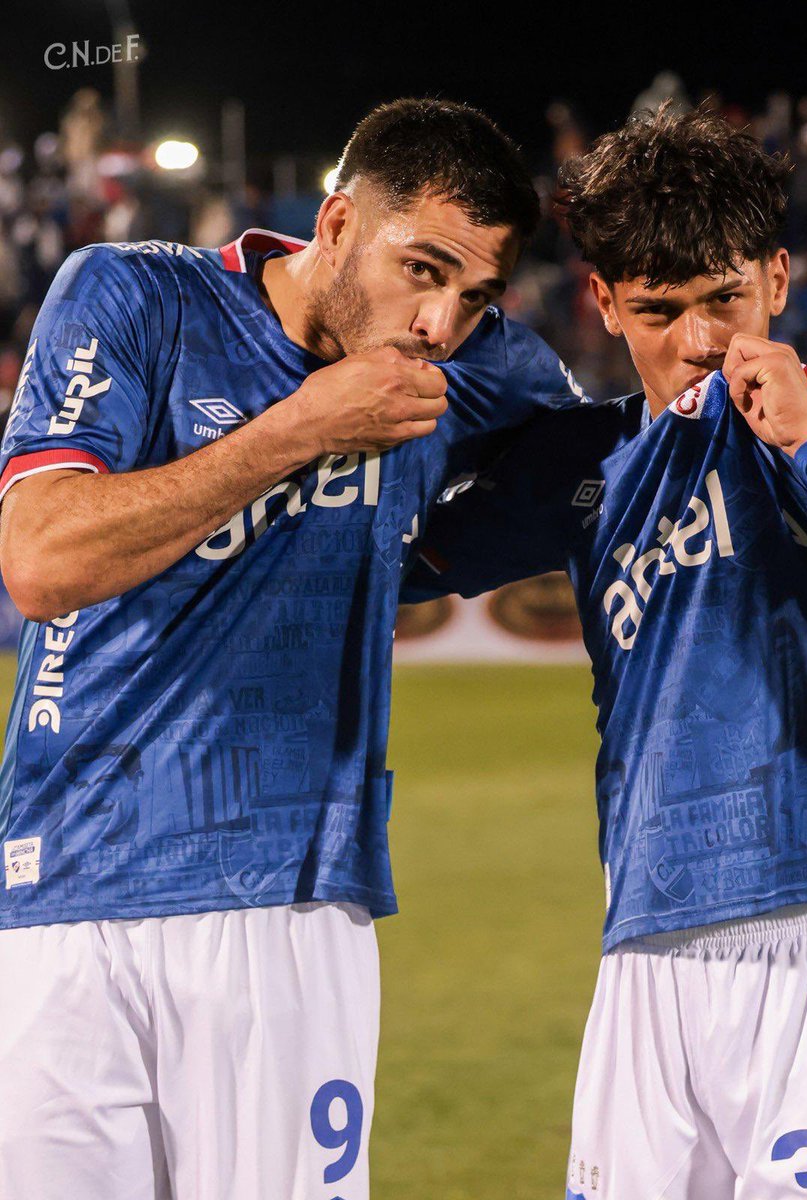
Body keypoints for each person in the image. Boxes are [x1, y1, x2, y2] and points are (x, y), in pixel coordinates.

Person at [0, 98, 586, 1200]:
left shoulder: (474, 368)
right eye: (423, 270)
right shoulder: (138, 296)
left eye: (476, 296)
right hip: (58, 897)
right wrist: (303, 430)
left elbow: (603, 461)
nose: (441, 323)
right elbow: (41, 560)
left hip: (290, 904)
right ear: (334, 225)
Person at [404, 107, 807, 1197]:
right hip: (645, 958)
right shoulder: (587, 460)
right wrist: (479, 378)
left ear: (780, 279)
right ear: (603, 302)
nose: (701, 342)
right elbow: (393, 559)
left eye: (726, 301)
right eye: (658, 310)